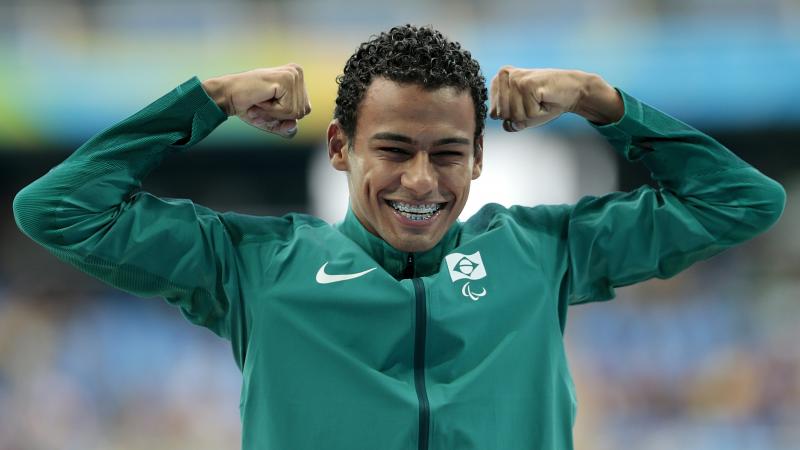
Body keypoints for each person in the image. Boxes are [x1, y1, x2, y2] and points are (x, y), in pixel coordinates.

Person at [12, 24, 785, 450]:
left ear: (479, 158)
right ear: (342, 147)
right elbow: (58, 209)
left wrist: (601, 101)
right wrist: (206, 100)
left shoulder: (542, 251)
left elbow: (741, 201)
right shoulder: (253, 267)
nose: (422, 181)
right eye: (394, 151)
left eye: (448, 154)